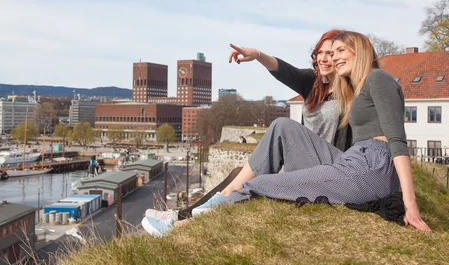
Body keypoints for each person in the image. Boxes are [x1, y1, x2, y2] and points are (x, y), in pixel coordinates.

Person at [143, 31, 430, 235]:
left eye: (341, 51)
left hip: (370, 166)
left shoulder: (378, 79)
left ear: (361, 51)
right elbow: (288, 71)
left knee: (262, 184)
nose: (333, 57)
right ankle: (199, 210)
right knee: (281, 126)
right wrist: (257, 55)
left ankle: (183, 225)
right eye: (328, 53)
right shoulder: (348, 85)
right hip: (353, 161)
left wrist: (411, 204)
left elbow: (396, 141)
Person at [142, 30, 352, 228]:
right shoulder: (314, 85)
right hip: (300, 159)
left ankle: (185, 221)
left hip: (324, 166)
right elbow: (283, 70)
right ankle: (183, 215)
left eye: (330, 53)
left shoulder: (351, 90)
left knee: (252, 176)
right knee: (237, 174)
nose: (324, 59)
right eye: (319, 53)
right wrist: (258, 55)